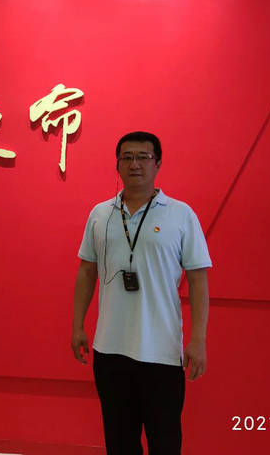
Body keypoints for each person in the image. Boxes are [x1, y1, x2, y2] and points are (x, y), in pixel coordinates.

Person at [71, 131, 211, 455]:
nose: (135, 164)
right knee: (119, 443)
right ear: (117, 165)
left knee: (165, 443)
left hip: (161, 353)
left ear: (157, 164)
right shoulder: (100, 214)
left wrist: (198, 339)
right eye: (127, 157)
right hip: (110, 350)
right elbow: (87, 271)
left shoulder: (180, 214)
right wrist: (77, 325)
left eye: (143, 157)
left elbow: (198, 280)